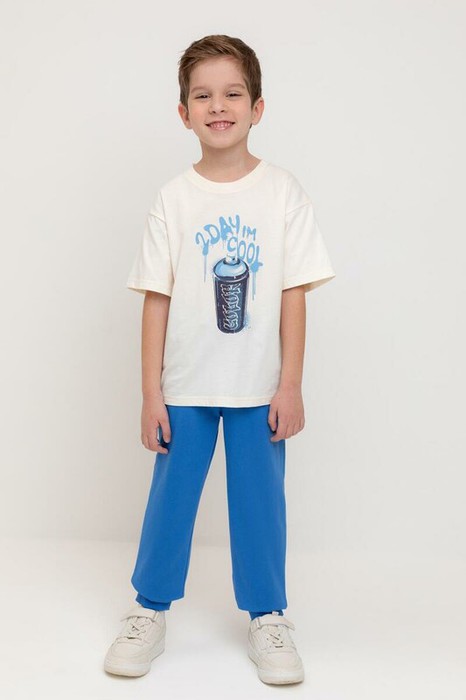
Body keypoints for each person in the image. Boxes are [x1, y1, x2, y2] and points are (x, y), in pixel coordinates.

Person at [104, 34, 336, 685]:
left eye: (232, 93)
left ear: (257, 107)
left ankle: (268, 616)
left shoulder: (282, 193)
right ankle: (149, 609)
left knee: (260, 504)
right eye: (203, 96)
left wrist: (291, 385)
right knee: (171, 502)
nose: (218, 106)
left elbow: (293, 294)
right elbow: (156, 298)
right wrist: (151, 393)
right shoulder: (173, 199)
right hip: (185, 385)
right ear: (184, 113)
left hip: (258, 387)